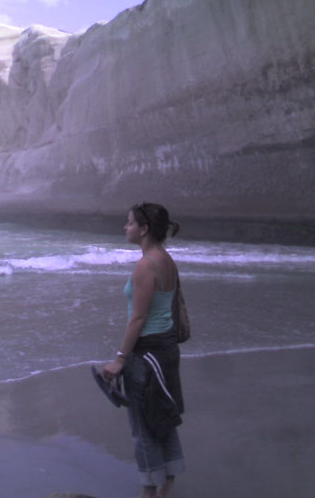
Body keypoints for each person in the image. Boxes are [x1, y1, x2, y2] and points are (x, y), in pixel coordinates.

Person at [102, 202, 185, 498]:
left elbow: (138, 318)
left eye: (130, 223)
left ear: (144, 229)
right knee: (163, 418)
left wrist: (119, 359)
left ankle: (148, 491)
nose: (125, 227)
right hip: (166, 349)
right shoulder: (165, 259)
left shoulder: (145, 265)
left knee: (143, 427)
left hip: (147, 354)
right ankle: (167, 487)